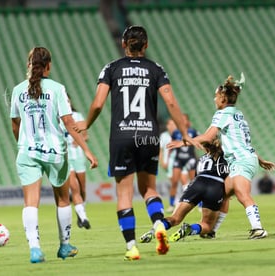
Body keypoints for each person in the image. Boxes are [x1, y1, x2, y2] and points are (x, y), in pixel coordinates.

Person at [82, 25, 200, 260]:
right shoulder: (155, 69)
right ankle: (158, 225)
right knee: (149, 189)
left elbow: (97, 104)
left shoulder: (111, 68)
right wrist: (185, 133)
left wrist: (86, 124)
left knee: (124, 194)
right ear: (145, 45)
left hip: (122, 136)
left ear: (124, 44)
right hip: (148, 135)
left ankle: (132, 247)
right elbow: (171, 103)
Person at [10, 47, 98, 263]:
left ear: (29, 65)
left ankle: (35, 249)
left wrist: (24, 145)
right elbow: (69, 124)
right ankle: (64, 246)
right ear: (48, 66)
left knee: (31, 201)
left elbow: (15, 124)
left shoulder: (18, 90)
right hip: (56, 152)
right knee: (62, 199)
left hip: (27, 152)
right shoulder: (57, 89)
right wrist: (86, 150)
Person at [168, 74, 275, 239]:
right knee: (223, 194)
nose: (214, 99)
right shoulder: (238, 115)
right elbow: (242, 141)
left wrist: (184, 142)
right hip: (246, 158)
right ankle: (211, 231)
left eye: (216, 96)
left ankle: (258, 229)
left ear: (223, 99)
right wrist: (259, 160)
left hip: (241, 161)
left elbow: (207, 137)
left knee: (242, 194)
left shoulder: (222, 114)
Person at [140, 137, 230, 242]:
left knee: (175, 218)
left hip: (197, 183)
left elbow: (197, 176)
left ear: (205, 147)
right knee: (207, 225)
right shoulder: (227, 157)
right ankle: (190, 229)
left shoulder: (202, 159)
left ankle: (153, 231)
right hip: (215, 186)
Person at [64, 95, 91, 229]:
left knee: (82, 189)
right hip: (66, 156)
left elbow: (86, 135)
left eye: (68, 100)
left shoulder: (78, 116)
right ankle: (83, 217)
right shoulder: (58, 117)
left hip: (79, 156)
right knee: (74, 188)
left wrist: (79, 139)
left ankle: (81, 212)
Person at [168, 113, 198, 213]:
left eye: (185, 119)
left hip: (190, 158)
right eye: (182, 119)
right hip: (179, 159)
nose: (183, 121)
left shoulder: (193, 131)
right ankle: (172, 204)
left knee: (194, 182)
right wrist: (168, 158)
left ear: (187, 121)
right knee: (174, 182)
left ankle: (199, 203)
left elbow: (199, 141)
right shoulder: (176, 132)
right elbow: (171, 145)